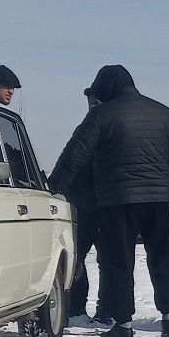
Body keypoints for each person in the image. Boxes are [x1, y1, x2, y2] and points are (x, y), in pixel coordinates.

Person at [49, 64, 169, 337]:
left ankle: (123, 324)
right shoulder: (163, 113)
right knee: (162, 256)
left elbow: (74, 155)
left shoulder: (102, 115)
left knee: (118, 261)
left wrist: (51, 188)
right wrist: (160, 179)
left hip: (118, 200)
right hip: (159, 199)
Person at [62, 87, 100, 321]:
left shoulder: (103, 125)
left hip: (101, 203)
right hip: (83, 204)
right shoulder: (87, 125)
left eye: (96, 98)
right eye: (90, 99)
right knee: (77, 257)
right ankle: (77, 307)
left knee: (108, 260)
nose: (92, 103)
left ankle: (101, 308)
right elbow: (72, 161)